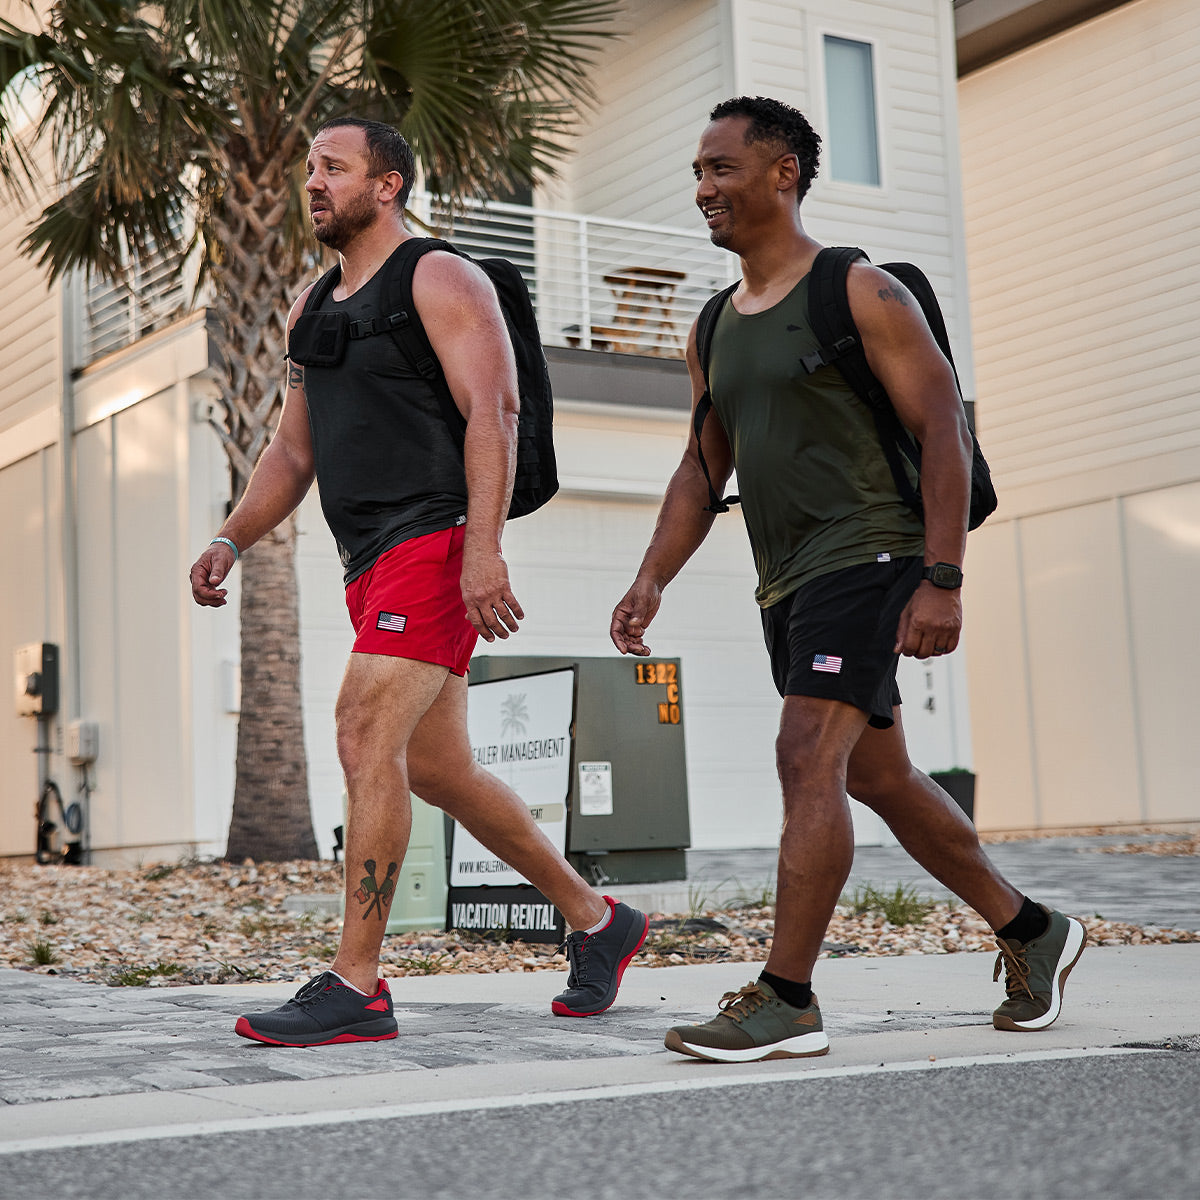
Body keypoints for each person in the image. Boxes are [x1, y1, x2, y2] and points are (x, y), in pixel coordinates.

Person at [610, 96, 1086, 1064]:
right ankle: (1031, 928)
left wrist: (942, 577)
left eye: (722, 169)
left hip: (871, 554)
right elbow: (704, 469)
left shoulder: (860, 292)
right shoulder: (712, 326)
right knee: (878, 772)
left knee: (803, 754)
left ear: (783, 173)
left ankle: (787, 997)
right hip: (785, 578)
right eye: (698, 173)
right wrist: (650, 577)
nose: (704, 189)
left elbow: (944, 431)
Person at [189, 116, 647, 1047]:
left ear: (387, 184)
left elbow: (497, 409)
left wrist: (483, 548)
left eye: (334, 168)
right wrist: (232, 538)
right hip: (369, 560)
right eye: (309, 169)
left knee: (363, 733)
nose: (312, 183)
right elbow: (292, 448)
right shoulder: (310, 305)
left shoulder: (439, 276)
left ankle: (357, 982)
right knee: (439, 767)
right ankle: (602, 922)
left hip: (433, 540)